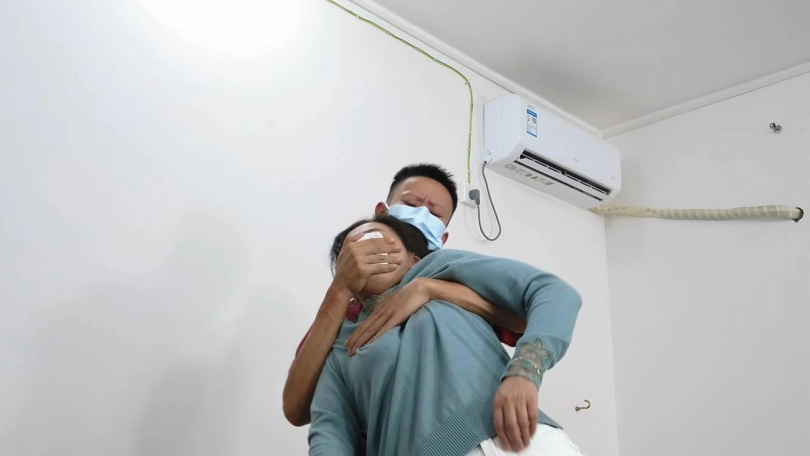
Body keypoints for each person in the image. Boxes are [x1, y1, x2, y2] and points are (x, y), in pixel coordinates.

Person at [309, 215, 583, 455]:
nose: (367, 251)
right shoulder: (342, 348)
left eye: (377, 237)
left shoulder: (443, 269)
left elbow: (553, 293)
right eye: (352, 250)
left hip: (529, 440)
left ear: (413, 259)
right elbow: (330, 434)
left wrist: (525, 371)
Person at [283, 164, 526, 429]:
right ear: (381, 213)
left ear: (442, 239)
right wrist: (340, 288)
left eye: (434, 213)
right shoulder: (341, 314)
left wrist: (432, 289)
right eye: (410, 203)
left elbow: (526, 320)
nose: (420, 215)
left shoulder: (456, 282)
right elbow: (296, 409)